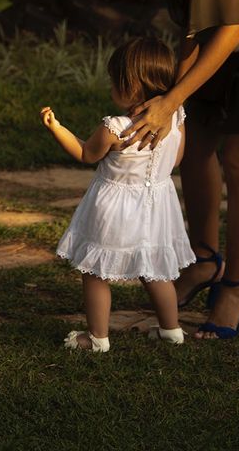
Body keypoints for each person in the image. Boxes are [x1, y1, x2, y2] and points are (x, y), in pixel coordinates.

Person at [123, 0, 239, 339]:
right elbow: (197, 26)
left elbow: (230, 30)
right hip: (233, 23)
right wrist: (174, 102)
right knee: (195, 138)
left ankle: (236, 286)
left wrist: (171, 101)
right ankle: (204, 260)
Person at [41, 37, 195, 352]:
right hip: (158, 207)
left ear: (134, 86)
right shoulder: (177, 118)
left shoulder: (115, 128)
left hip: (115, 209)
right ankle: (171, 330)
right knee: (155, 271)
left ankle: (97, 338)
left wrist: (56, 128)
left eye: (115, 80)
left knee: (96, 272)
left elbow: (86, 153)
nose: (111, 84)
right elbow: (177, 159)